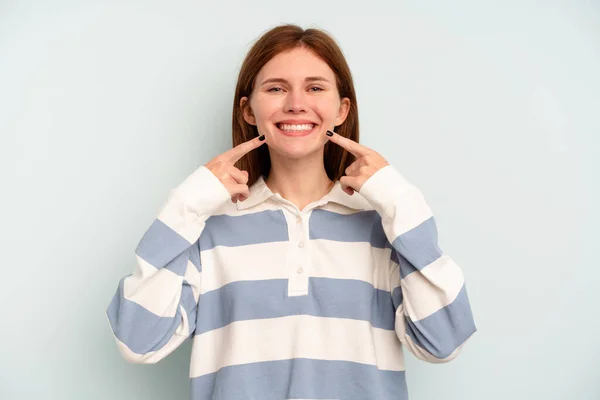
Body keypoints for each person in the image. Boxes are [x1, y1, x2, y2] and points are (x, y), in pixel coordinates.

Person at [106, 24, 477, 400]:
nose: (296, 103)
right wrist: (186, 203)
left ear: (341, 109)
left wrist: (399, 200)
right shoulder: (207, 227)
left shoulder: (383, 225)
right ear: (248, 110)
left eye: (315, 88)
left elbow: (442, 343)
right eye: (276, 88)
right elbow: (139, 342)